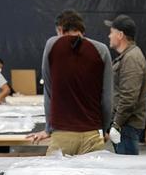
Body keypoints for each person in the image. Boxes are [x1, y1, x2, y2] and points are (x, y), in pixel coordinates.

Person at [28, 10, 113, 156]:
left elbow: (49, 93)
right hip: (92, 134)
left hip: (62, 136)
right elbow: (107, 99)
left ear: (60, 29)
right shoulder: (102, 50)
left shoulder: (52, 45)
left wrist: (48, 129)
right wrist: (104, 129)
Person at [106, 14, 146, 156]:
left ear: (120, 34)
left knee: (128, 171)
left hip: (126, 126)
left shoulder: (132, 58)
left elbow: (129, 97)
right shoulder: (127, 56)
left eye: (111, 32)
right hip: (124, 125)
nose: (109, 36)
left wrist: (116, 125)